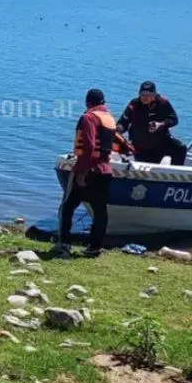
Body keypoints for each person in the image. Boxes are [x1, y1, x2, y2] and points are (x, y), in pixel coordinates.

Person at [53, 88, 116, 258]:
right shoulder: (109, 118)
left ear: (88, 102)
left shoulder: (88, 118)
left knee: (67, 207)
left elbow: (88, 146)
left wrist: (81, 172)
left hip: (89, 170)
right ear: (103, 103)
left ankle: (64, 244)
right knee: (100, 211)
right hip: (105, 171)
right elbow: (118, 143)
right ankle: (95, 247)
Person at [117, 81, 187, 165]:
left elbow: (174, 119)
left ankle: (176, 173)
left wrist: (161, 124)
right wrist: (116, 132)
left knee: (180, 148)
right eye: (143, 94)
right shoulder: (134, 104)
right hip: (142, 147)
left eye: (148, 95)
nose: (145, 97)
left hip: (162, 142)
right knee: (148, 168)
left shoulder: (162, 103)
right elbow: (123, 122)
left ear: (154, 94)